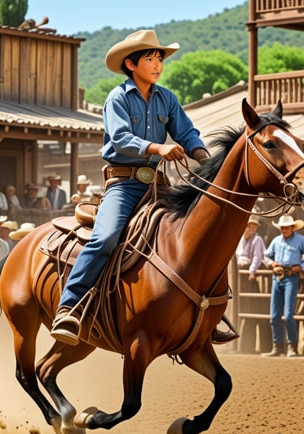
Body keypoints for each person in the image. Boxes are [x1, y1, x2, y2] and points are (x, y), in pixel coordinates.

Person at [50, 30, 220, 345]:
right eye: (150, 58)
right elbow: (120, 139)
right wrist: (158, 148)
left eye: (160, 59)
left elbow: (186, 132)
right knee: (105, 238)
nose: (157, 64)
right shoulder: (117, 98)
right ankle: (68, 307)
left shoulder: (166, 98)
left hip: (158, 184)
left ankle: (207, 311)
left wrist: (206, 159)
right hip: (123, 183)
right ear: (131, 63)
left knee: (196, 232)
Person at [262, 214, 304, 357]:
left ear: (292, 227)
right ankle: (278, 346)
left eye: (286, 227)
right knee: (274, 315)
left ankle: (292, 346)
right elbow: (266, 256)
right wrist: (272, 264)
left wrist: (302, 267)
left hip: (291, 276)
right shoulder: (276, 241)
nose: (284, 229)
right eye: (282, 227)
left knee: (289, 314)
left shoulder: (301, 241)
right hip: (277, 277)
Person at [235, 215, 269, 353]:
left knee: (254, 308)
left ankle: (255, 346)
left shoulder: (257, 239)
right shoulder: (239, 240)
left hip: (252, 277)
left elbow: (257, 257)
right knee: (245, 307)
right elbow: (238, 255)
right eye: (248, 226)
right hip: (242, 276)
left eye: (253, 226)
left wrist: (252, 271)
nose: (250, 229)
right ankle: (245, 346)